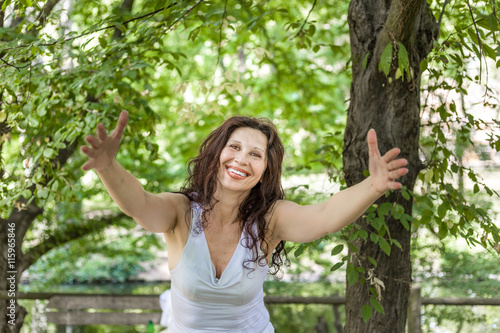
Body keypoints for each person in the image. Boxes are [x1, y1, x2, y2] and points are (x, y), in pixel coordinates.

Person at [81, 111, 408, 332]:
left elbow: (323, 216)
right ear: (216, 154)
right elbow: (140, 204)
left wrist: (373, 186)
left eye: (255, 154)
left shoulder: (271, 219)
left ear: (266, 169)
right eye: (234, 147)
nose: (241, 159)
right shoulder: (180, 212)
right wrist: (107, 166)